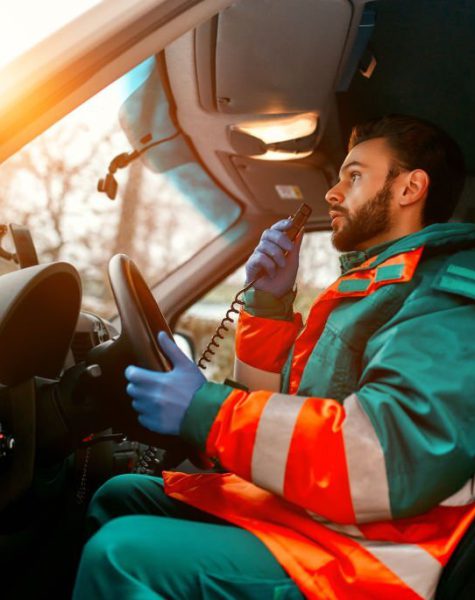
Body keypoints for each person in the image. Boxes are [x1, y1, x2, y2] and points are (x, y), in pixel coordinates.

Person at [73, 115, 475, 599]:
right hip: (316, 516)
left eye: (353, 175)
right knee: (120, 495)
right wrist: (268, 303)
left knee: (121, 554)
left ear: (410, 188)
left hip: (375, 557)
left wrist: (208, 409)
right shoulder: (373, 286)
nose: (332, 192)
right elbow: (284, 411)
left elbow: (386, 457)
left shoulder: (448, 296)